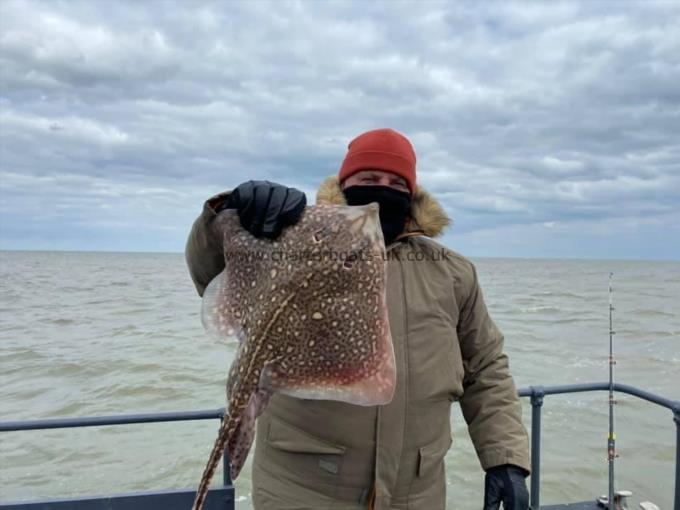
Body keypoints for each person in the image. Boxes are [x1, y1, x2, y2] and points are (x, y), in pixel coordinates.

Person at [185, 128, 531, 510]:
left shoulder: (451, 272)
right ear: (344, 185)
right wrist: (228, 213)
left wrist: (505, 458)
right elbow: (212, 272)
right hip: (304, 492)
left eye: (395, 183)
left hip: (416, 492)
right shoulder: (291, 240)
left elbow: (486, 368)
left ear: (412, 194)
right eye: (368, 180)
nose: (381, 191)